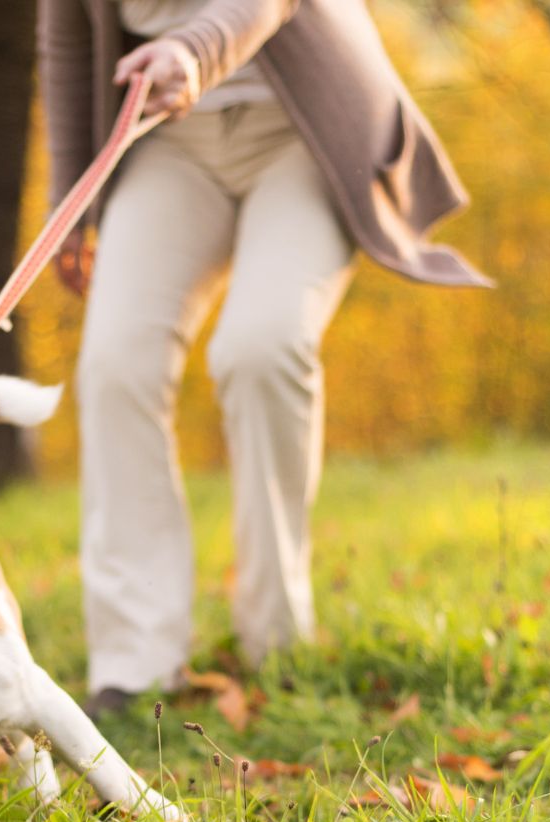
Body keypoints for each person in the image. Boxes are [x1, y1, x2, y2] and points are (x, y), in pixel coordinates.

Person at [38, 0, 490, 717]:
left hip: (306, 128)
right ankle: (135, 662)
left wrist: (192, 49)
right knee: (115, 364)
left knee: (262, 346)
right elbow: (66, 38)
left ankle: (276, 636)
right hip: (170, 139)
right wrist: (71, 197)